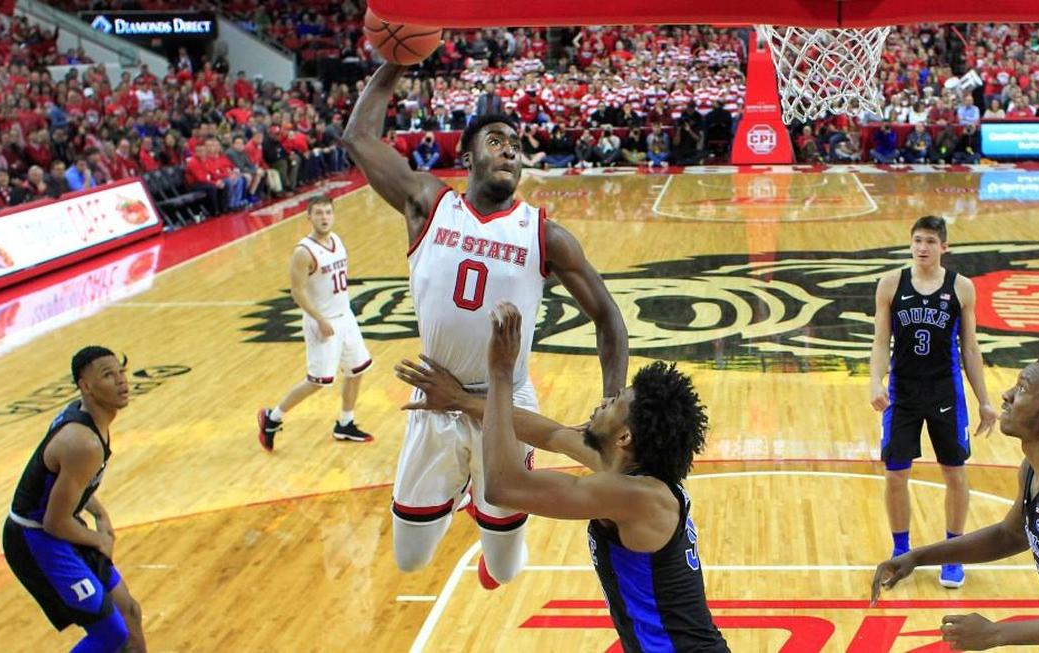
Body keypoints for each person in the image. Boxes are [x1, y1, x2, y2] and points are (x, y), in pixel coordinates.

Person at [343, 62, 628, 589]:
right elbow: (358, 136)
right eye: (497, 140)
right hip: (433, 400)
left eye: (516, 146)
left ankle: (484, 504)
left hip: (507, 407)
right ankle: (463, 492)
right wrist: (399, 58)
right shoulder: (429, 204)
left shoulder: (545, 234)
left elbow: (609, 317)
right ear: (468, 156)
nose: (510, 150)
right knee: (409, 558)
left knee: (503, 567)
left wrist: (611, 408)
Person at [395, 302, 728, 652]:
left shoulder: (635, 497)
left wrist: (501, 374)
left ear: (624, 438)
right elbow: (553, 435)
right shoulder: (632, 473)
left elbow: (502, 486)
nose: (605, 401)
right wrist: (461, 400)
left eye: (616, 402)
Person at [871, 345, 1039, 652]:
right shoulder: (1035, 468)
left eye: (1023, 388)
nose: (1007, 395)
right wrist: (919, 557)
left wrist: (996, 634)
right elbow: (1009, 535)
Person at [869, 215, 997, 589]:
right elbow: (880, 342)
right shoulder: (891, 284)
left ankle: (953, 551)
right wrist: (876, 382)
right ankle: (901, 552)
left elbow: (970, 349)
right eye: (917, 241)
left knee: (955, 473)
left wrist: (985, 401)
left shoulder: (962, 288)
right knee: (895, 475)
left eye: (929, 242)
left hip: (945, 391)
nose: (922, 248)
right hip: (903, 393)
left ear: (944, 247)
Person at [2, 346, 146, 652]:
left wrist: (101, 514)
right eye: (108, 375)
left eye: (121, 371)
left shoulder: (87, 420)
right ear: (86, 386)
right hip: (35, 538)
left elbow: (68, 482)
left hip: (59, 526)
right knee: (111, 635)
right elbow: (55, 522)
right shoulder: (83, 442)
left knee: (130, 612)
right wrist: (97, 539)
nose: (122, 381)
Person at [257, 195, 373, 449]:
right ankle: (272, 417)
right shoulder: (303, 252)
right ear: (308, 217)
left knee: (357, 369)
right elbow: (297, 291)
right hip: (322, 322)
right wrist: (320, 319)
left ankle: (345, 423)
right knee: (317, 381)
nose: (324, 218)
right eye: (318, 213)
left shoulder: (337, 241)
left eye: (328, 212)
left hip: (345, 317)